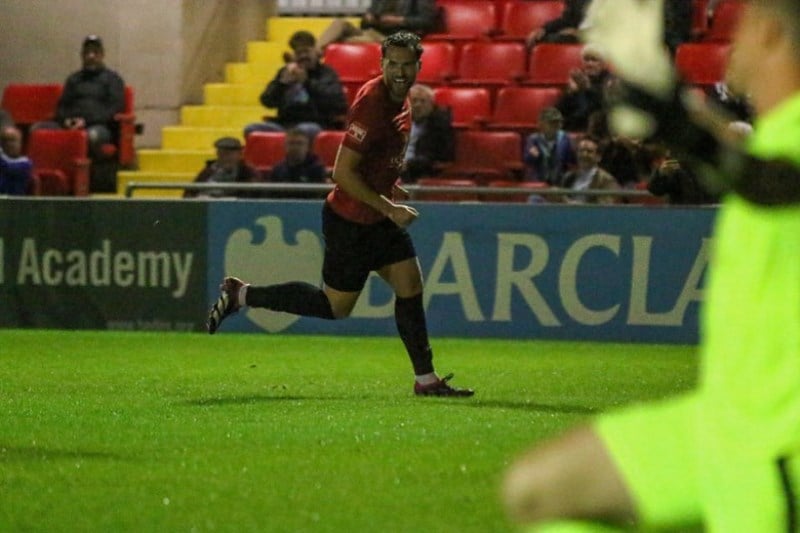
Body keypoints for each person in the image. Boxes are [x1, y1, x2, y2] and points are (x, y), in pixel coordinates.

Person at [503, 0, 800, 530]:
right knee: (539, 492)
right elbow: (752, 159)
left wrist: (677, 121)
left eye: (743, 24)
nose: (732, 40)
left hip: (778, 439)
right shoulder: (777, 131)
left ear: (771, 32)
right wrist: (666, 94)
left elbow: (778, 185)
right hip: (724, 421)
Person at [207, 32, 473, 398]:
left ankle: (426, 380)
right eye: (392, 64)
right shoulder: (374, 105)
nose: (399, 71)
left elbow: (375, 161)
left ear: (418, 66)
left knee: (410, 284)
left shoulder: (402, 97)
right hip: (350, 221)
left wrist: (388, 188)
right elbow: (342, 173)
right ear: (381, 64)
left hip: (376, 215)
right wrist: (389, 207)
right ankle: (242, 295)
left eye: (406, 64)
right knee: (335, 307)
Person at [243, 31, 348, 140]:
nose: (303, 56)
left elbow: (337, 102)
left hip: (316, 124)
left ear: (315, 51)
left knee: (302, 131)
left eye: (306, 51)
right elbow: (266, 101)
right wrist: (281, 84)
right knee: (251, 129)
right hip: (284, 125)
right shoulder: (285, 72)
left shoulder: (326, 73)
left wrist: (306, 82)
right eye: (299, 53)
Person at [41, 35, 126, 160]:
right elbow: (62, 106)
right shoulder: (73, 79)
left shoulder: (113, 79)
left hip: (99, 126)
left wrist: (85, 122)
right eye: (87, 52)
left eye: (95, 52)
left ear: (102, 55)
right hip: (69, 124)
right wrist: (66, 121)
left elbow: (114, 109)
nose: (91, 56)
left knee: (91, 136)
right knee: (39, 130)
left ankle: (88, 174)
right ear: (82, 55)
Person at [316, 0, 438, 50]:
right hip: (374, 31)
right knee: (339, 23)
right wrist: (368, 18)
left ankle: (311, 53)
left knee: (338, 42)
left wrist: (399, 20)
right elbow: (364, 23)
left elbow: (427, 21)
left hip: (395, 36)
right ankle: (315, 50)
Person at [401, 84, 455, 183]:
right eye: (414, 101)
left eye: (423, 101)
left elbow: (437, 156)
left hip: (419, 170)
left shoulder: (440, 126)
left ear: (431, 104)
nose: (418, 105)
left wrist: (408, 164)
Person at [556, 44, 615, 132]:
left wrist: (587, 88)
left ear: (603, 64)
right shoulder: (578, 79)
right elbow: (559, 110)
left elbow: (607, 107)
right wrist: (570, 94)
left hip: (598, 130)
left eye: (594, 60)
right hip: (573, 127)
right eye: (586, 60)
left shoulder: (611, 80)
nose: (589, 64)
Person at [183, 137, 260, 199]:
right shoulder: (209, 170)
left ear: (240, 155)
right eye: (220, 154)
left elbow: (252, 194)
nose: (224, 158)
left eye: (228, 154)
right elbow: (190, 191)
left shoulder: (248, 171)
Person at [555, 135, 620, 204]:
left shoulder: (607, 180)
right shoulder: (568, 177)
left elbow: (603, 209)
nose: (584, 155)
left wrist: (567, 202)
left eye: (589, 151)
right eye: (581, 151)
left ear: (598, 157)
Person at [267, 127, 328, 199]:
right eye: (291, 143)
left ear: (308, 147)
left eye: (300, 143)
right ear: (285, 146)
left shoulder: (317, 169)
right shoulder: (277, 170)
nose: (295, 147)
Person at [523, 107, 576, 185]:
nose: (556, 126)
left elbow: (571, 159)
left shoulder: (564, 138)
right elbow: (528, 160)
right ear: (541, 124)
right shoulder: (533, 139)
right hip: (539, 182)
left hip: (560, 182)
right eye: (552, 123)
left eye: (558, 123)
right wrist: (533, 155)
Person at [526, 0, 592, 47]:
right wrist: (544, 29)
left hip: (596, 37)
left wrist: (580, 33)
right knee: (540, 39)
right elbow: (567, 20)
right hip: (575, 37)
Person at [0, 126, 33, 195]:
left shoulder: (25, 163)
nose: (9, 144)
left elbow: (8, 168)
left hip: (14, 203)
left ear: (20, 143)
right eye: (5, 140)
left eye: (13, 140)